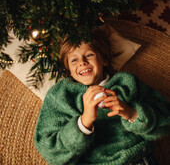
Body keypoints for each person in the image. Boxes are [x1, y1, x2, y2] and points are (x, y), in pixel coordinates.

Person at [34, 26, 170, 165]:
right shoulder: (61, 95)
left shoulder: (127, 83)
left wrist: (131, 113)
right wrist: (84, 122)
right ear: (68, 70)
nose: (82, 62)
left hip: (137, 159)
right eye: (74, 60)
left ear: (104, 59)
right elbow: (49, 150)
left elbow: (166, 121)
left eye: (89, 55)